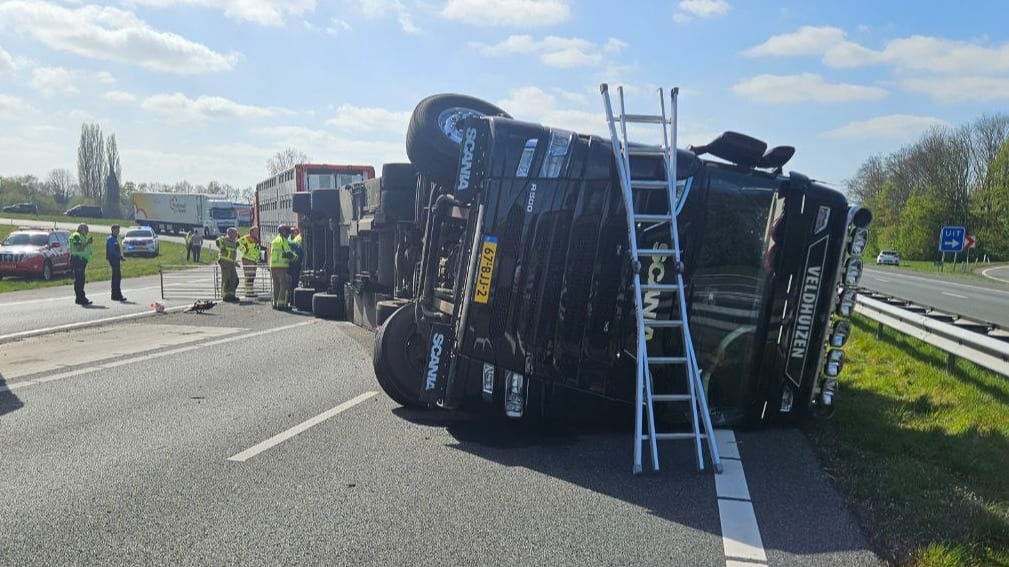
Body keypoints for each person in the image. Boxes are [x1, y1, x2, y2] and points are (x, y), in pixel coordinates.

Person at [268, 224, 297, 310]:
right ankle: (281, 304)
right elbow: (288, 253)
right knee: (283, 285)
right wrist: (296, 257)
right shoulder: (283, 240)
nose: (288, 234)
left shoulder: (275, 240)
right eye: (287, 232)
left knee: (276, 285)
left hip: (273, 266)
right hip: (282, 266)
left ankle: (275, 303)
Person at [68, 223, 94, 305]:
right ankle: (81, 297)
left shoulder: (81, 236)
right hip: (78, 260)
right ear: (81, 229)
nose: (87, 232)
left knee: (81, 279)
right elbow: (78, 248)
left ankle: (79, 298)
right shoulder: (76, 235)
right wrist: (87, 243)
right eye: (86, 230)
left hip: (81, 261)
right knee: (79, 280)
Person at [216, 227, 240, 302]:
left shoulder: (234, 242)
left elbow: (232, 254)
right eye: (235, 234)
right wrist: (222, 239)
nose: (236, 235)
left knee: (235, 279)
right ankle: (225, 295)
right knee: (226, 279)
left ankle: (231, 295)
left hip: (231, 263)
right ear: (230, 233)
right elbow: (218, 242)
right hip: (225, 262)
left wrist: (235, 262)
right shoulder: (224, 240)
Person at [237, 226, 261, 297]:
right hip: (247, 259)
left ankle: (250, 291)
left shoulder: (256, 239)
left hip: (254, 260)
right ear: (251, 232)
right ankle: (248, 292)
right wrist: (245, 250)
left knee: (252, 276)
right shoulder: (246, 238)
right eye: (255, 231)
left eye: (257, 231)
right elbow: (237, 243)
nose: (257, 233)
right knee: (249, 275)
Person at [106, 224, 126, 302]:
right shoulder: (111, 239)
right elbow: (112, 251)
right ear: (113, 230)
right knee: (117, 277)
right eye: (117, 230)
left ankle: (115, 295)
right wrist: (119, 256)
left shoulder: (114, 238)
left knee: (116, 277)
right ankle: (117, 294)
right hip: (113, 259)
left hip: (116, 259)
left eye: (119, 230)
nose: (118, 231)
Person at [287, 227, 303, 305]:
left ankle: (291, 300)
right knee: (293, 283)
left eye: (293, 231)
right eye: (291, 232)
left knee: (292, 283)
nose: (292, 233)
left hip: (293, 265)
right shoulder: (295, 240)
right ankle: (292, 300)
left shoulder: (295, 240)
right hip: (295, 265)